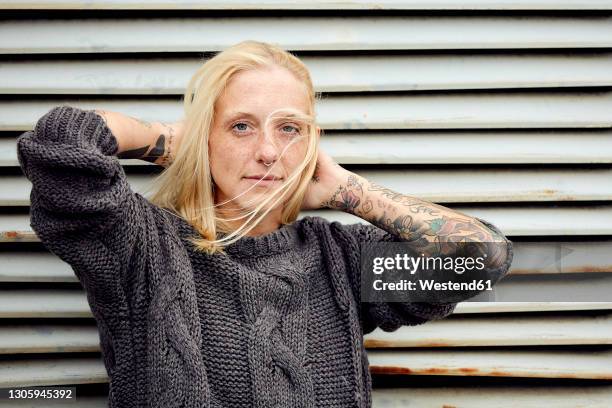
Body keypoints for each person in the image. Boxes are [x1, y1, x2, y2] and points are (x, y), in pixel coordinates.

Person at [16, 40, 513, 408]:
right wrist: (172, 142)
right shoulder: (141, 246)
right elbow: (61, 146)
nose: (269, 151)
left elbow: (482, 258)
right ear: (204, 135)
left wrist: (346, 190)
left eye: (289, 128)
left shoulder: (339, 258)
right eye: (240, 125)